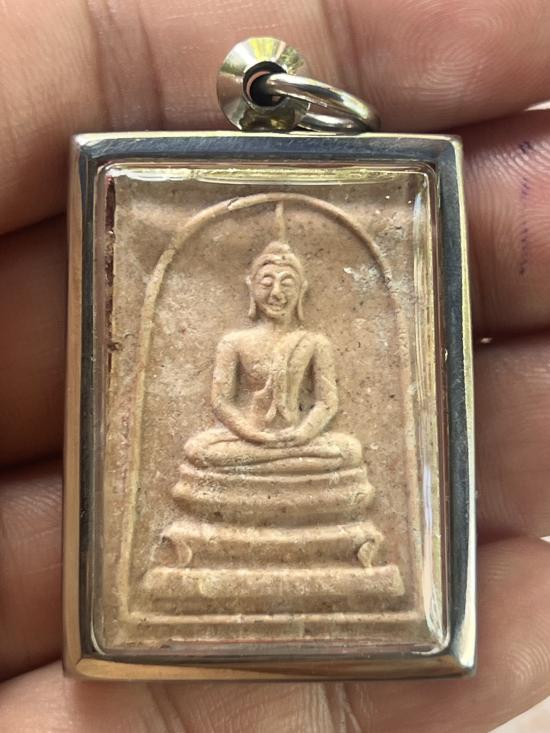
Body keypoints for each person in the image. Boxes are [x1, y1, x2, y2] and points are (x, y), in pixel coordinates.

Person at [1, 1, 549, 731]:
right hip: (242, 449)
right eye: (266, 280)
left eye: (287, 281)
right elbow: (220, 404)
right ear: (251, 287)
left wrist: (297, 435)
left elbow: (327, 405)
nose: (276, 290)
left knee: (344, 451)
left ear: (301, 288)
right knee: (203, 450)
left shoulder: (314, 341)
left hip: (304, 450)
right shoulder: (236, 339)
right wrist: (257, 435)